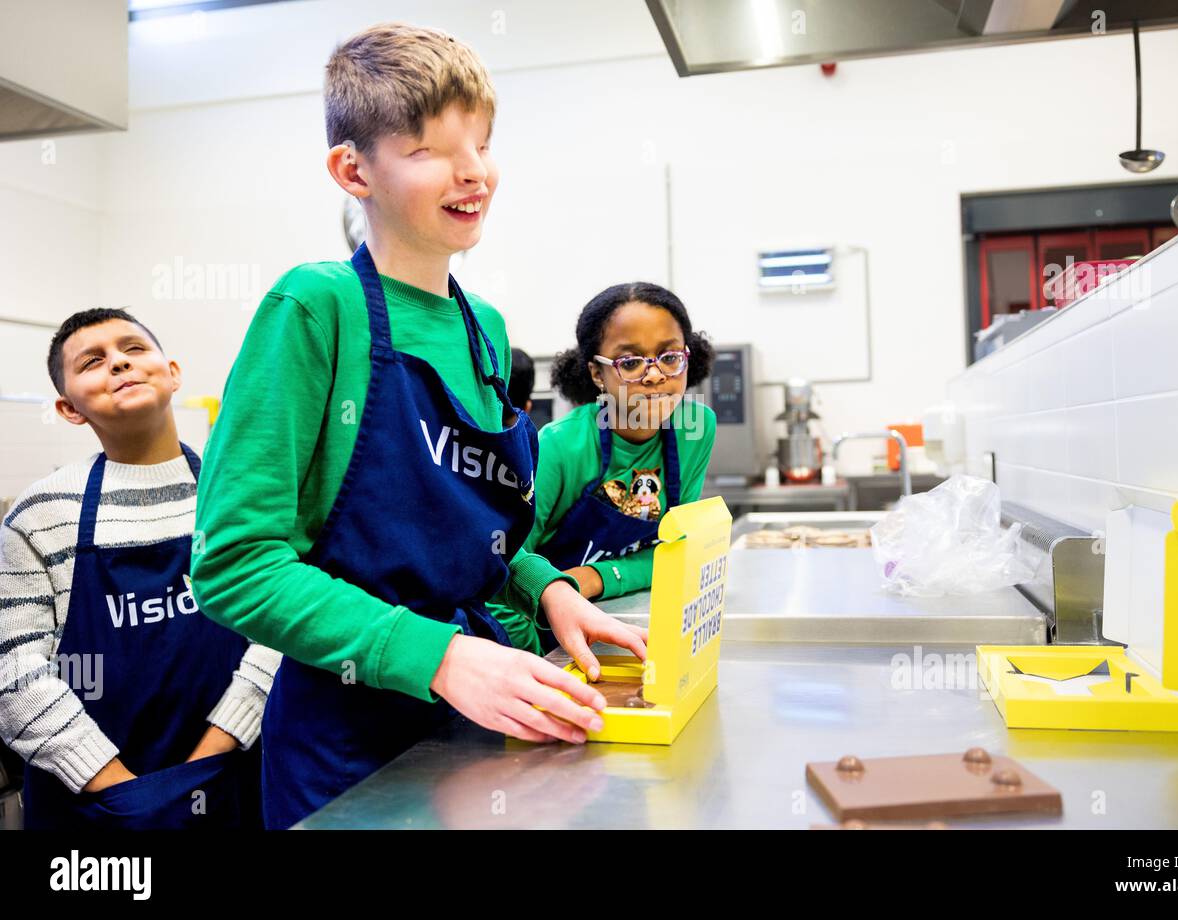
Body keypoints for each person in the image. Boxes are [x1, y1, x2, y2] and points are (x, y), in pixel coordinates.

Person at [189, 23, 647, 830]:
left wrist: (546, 592)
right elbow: (234, 567)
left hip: (479, 709)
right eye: (431, 149)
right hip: (348, 738)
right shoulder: (316, 308)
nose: (473, 170)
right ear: (352, 169)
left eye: (481, 141)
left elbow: (473, 541)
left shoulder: (487, 331)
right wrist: (435, 657)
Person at [0, 308, 279, 829]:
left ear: (172, 372)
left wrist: (207, 765)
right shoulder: (39, 516)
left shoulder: (237, 495)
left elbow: (279, 629)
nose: (119, 365)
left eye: (133, 349)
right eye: (93, 361)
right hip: (93, 809)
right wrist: (128, 797)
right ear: (69, 408)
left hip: (233, 780)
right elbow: (12, 670)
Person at [486, 282, 715, 652]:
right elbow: (503, 567)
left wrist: (596, 577)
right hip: (540, 637)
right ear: (596, 372)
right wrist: (538, 657)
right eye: (630, 362)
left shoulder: (696, 430)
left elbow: (678, 550)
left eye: (669, 357)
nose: (655, 375)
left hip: (622, 623)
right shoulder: (560, 446)